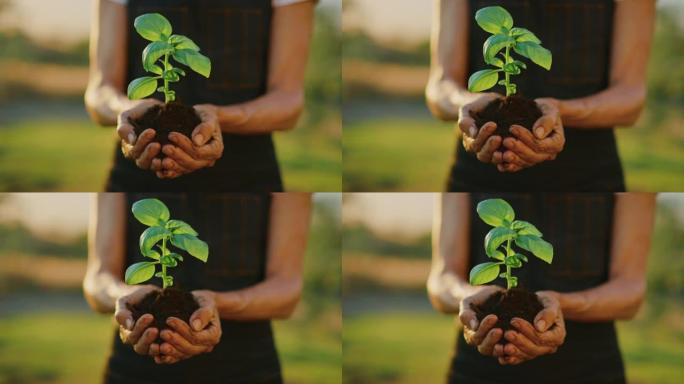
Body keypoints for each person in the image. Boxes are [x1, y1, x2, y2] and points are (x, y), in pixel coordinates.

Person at [85, 0, 315, 192]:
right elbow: (100, 91)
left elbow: (289, 101)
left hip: (246, 177)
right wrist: (124, 109)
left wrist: (220, 117)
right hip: (137, 174)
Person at [426, 0, 655, 191]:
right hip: (477, 176)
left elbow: (631, 97)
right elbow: (441, 85)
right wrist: (468, 104)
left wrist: (562, 110)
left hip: (589, 176)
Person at [83, 193, 311, 383]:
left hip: (246, 367)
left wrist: (219, 303)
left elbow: (287, 291)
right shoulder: (125, 174)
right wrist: (124, 298)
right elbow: (98, 279)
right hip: (134, 369)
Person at [428, 193, 654, 383]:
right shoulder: (472, 157)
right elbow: (442, 279)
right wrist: (469, 298)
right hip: (478, 369)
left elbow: (631, 291)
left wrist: (563, 303)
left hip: (589, 368)